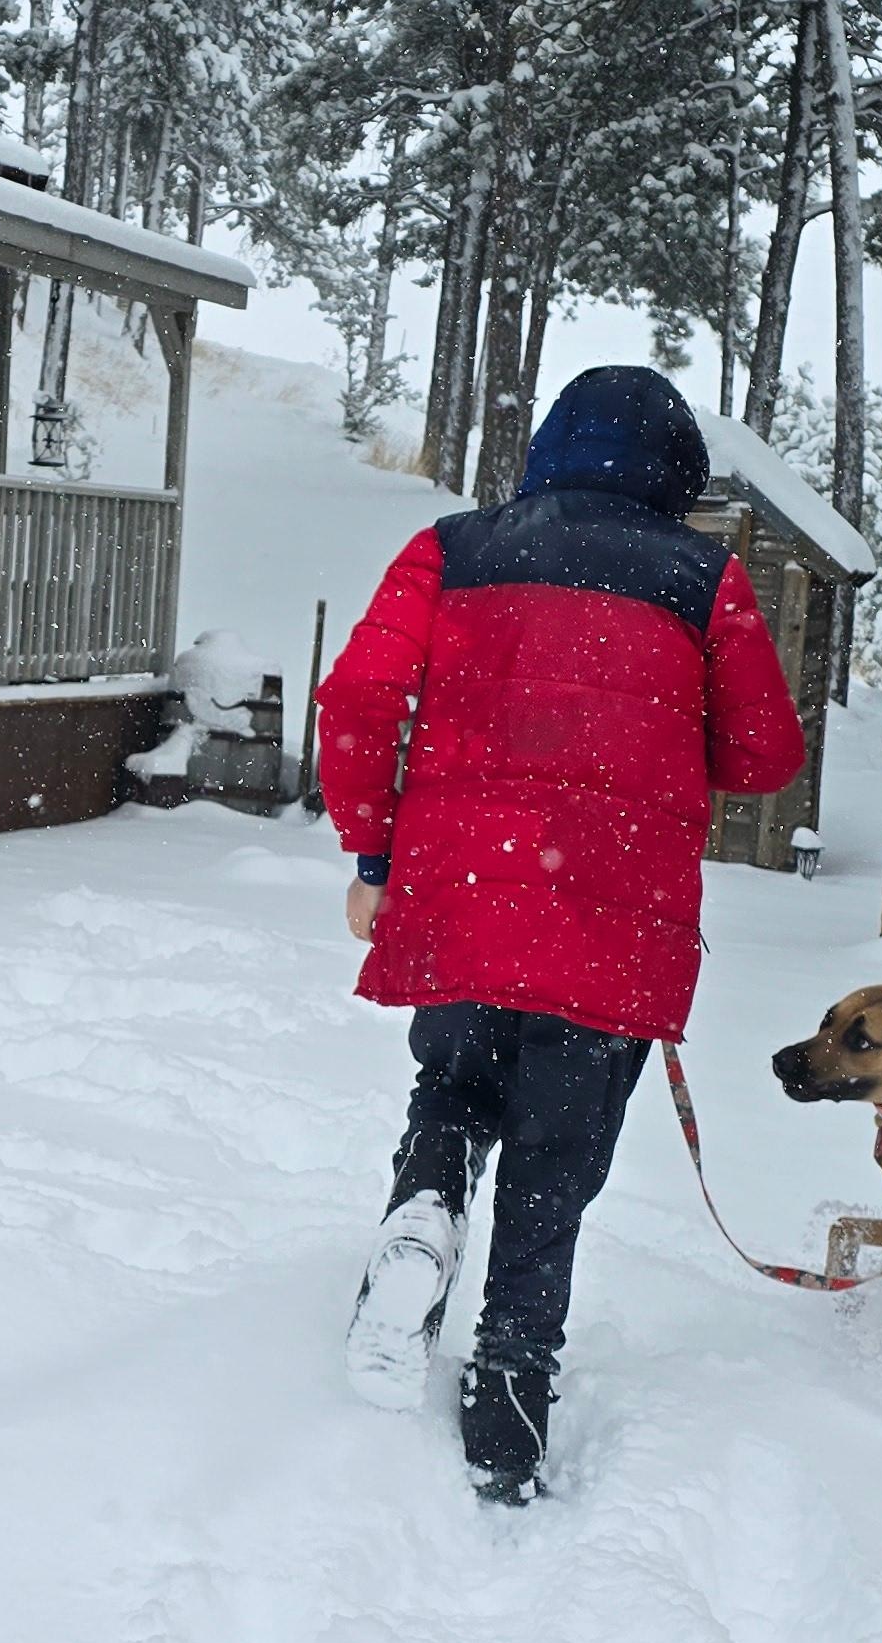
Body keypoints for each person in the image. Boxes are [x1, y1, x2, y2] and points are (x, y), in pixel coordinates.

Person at [315, 363, 806, 1500]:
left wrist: (374, 859)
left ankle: (424, 1219)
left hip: (461, 891)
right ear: (673, 473)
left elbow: (356, 704)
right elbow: (765, 757)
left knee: (451, 1091)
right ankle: (509, 1398)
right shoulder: (705, 577)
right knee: (556, 1154)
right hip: (611, 917)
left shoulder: (452, 548)